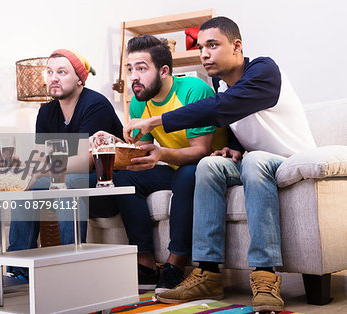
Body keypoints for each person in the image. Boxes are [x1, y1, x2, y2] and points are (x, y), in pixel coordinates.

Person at [123, 17, 316, 312]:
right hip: (253, 161)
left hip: (289, 160)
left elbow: (223, 108)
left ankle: (265, 275)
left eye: (212, 45)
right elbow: (242, 120)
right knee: (208, 166)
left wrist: (157, 120)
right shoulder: (219, 83)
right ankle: (208, 272)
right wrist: (234, 147)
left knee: (255, 160)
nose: (204, 54)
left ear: (236, 46)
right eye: (200, 47)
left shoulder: (264, 70)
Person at [106, 34, 225, 294]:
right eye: (130, 69)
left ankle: (176, 263)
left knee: (186, 174)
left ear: (164, 70)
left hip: (208, 168)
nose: (133, 76)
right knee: (126, 178)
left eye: (141, 68)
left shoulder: (194, 90)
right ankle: (146, 264)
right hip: (173, 167)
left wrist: (159, 154)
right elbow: (144, 152)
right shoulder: (139, 100)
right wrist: (115, 144)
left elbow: (201, 151)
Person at [7, 49, 123, 279]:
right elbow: (42, 157)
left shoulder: (94, 104)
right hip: (69, 177)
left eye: (62, 72)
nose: (53, 78)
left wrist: (41, 170)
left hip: (107, 181)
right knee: (23, 189)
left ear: (80, 78)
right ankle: (18, 269)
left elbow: (85, 162)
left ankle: (73, 265)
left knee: (68, 182)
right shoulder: (47, 112)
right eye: (49, 72)